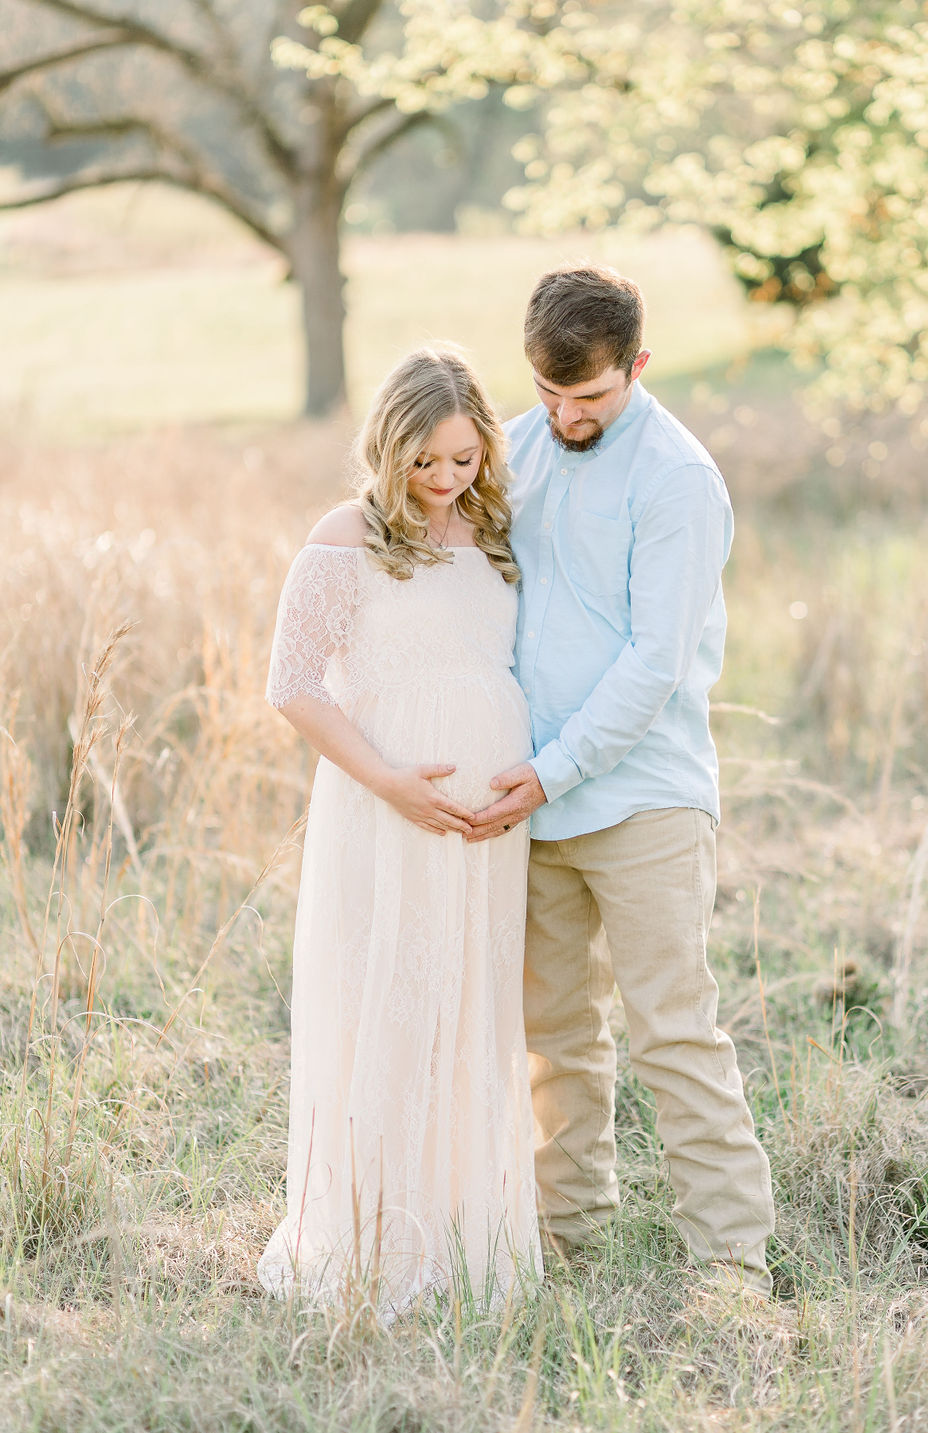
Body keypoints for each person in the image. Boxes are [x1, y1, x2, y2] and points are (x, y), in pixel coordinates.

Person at [467, 265, 776, 1294]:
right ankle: (567, 1239)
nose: (565, 415)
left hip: (641, 794)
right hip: (530, 799)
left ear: (636, 366)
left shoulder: (678, 478)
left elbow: (654, 662)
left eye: (589, 397)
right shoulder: (514, 448)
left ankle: (730, 1262)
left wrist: (549, 771)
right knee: (554, 1037)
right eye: (549, 393)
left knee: (674, 1029)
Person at [258, 348, 541, 1318]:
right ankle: (376, 1236)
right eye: (426, 462)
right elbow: (290, 683)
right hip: (383, 813)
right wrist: (387, 779)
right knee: (391, 999)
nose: (446, 480)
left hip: (489, 828)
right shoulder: (346, 538)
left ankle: (465, 1232)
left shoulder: (496, 532)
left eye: (463, 459)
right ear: (389, 448)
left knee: (468, 1007)